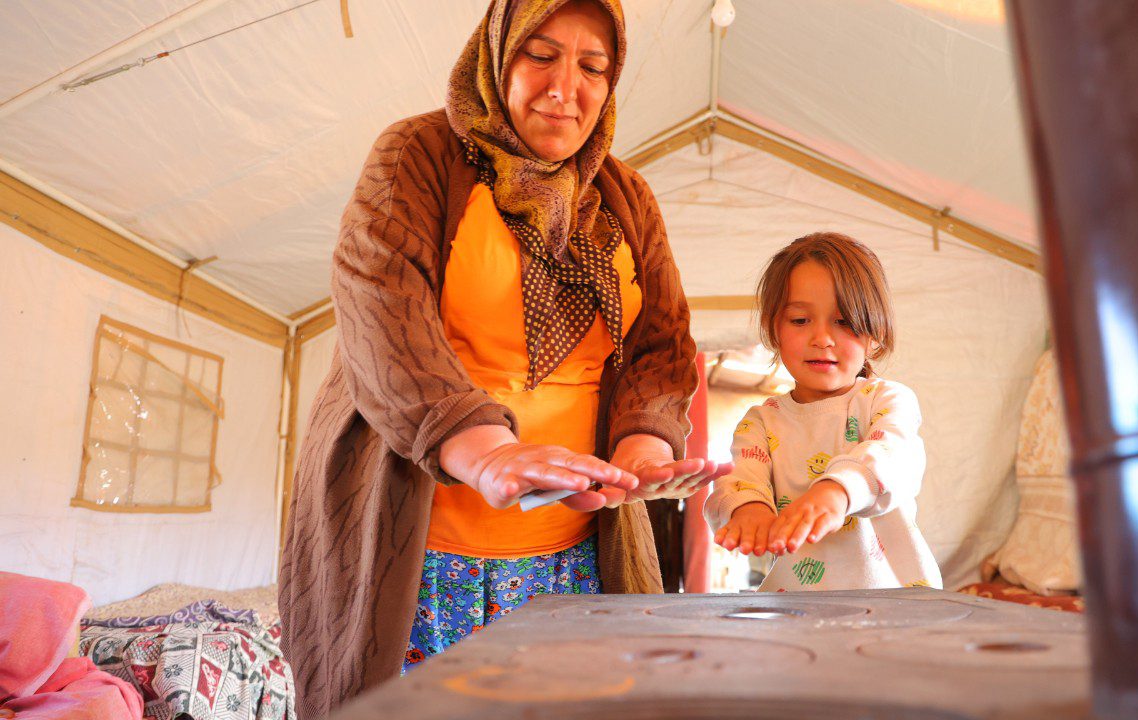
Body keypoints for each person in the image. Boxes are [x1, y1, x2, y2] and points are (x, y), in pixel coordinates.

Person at [279, 0, 727, 714]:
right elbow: (380, 308)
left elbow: (662, 343)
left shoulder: (627, 197)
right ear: (496, 54)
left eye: (593, 67)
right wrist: (483, 450)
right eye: (540, 54)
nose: (565, 86)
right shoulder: (419, 155)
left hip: (576, 556)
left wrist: (641, 446)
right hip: (421, 551)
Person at [704, 233, 942, 592]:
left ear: (875, 334)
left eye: (844, 322)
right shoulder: (761, 420)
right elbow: (738, 478)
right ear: (774, 330)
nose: (822, 338)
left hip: (895, 602)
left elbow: (892, 455)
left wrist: (837, 491)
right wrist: (747, 509)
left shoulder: (888, 400)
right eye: (800, 320)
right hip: (795, 607)